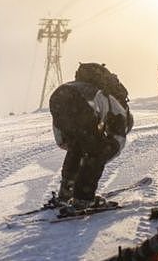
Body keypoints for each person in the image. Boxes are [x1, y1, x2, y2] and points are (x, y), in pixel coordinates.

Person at [49, 63, 133, 207]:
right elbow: (115, 145)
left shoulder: (100, 99)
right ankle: (83, 198)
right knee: (98, 151)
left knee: (78, 145)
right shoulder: (120, 115)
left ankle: (66, 192)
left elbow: (64, 134)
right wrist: (96, 159)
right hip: (79, 101)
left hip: (58, 96)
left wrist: (71, 144)